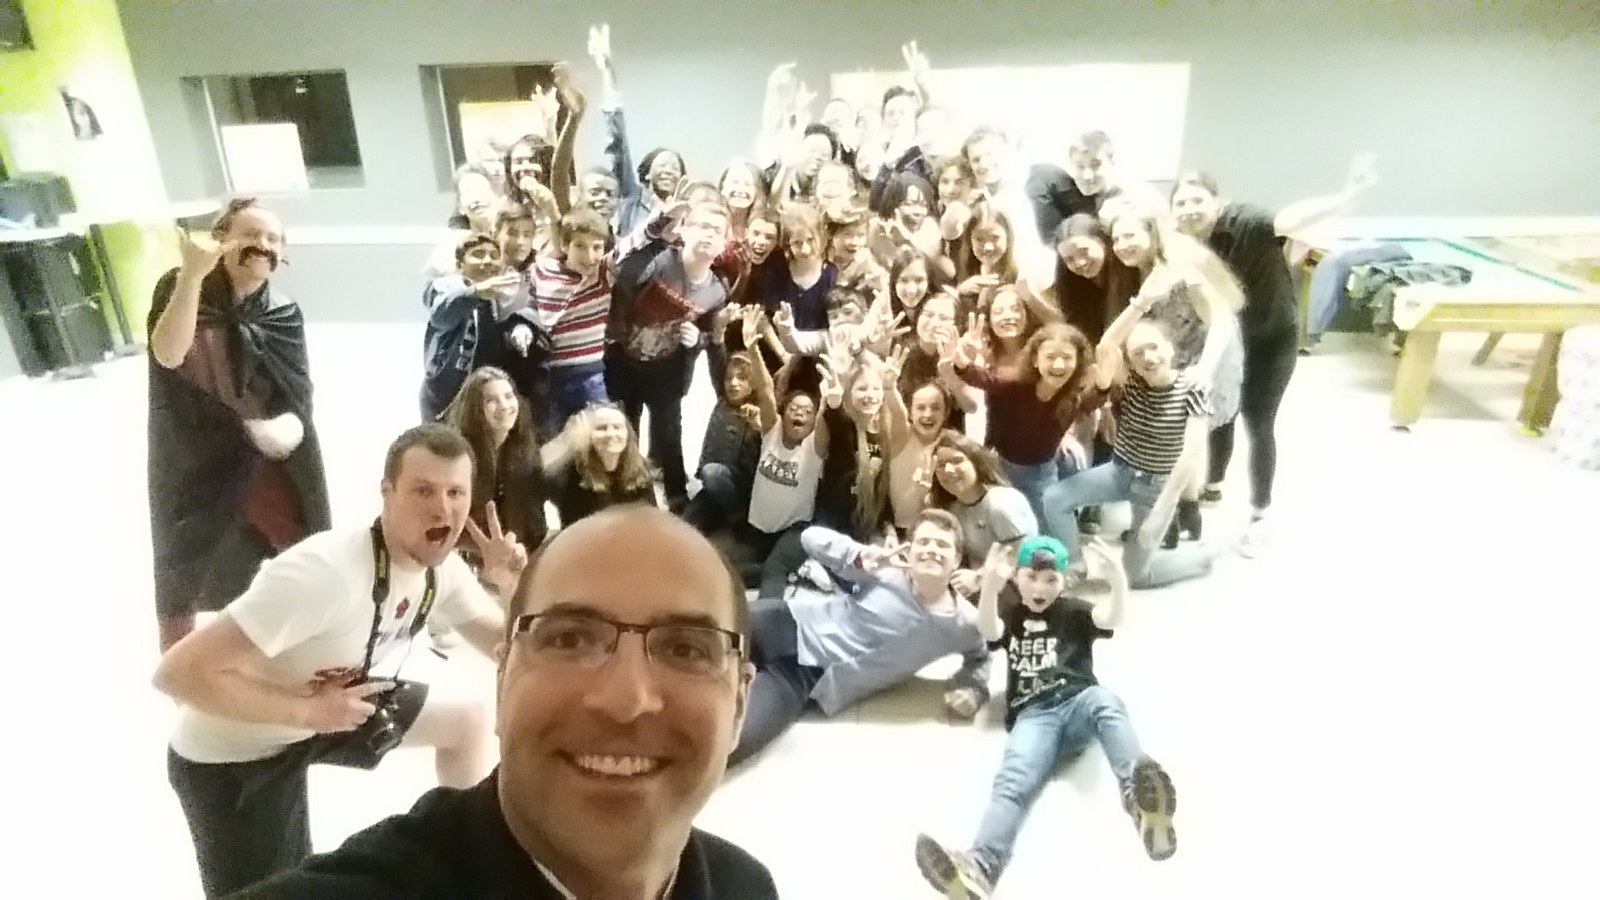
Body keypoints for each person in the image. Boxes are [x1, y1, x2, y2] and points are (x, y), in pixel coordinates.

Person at [234, 506, 778, 899]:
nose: (625, 700)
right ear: (501, 680)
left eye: (686, 649)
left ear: (739, 703)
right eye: (570, 638)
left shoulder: (743, 887)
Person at [154, 424, 527, 897]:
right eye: (423, 490)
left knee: (466, 722)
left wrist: (511, 587)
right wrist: (308, 712)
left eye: (456, 492)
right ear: (387, 494)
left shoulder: (442, 571)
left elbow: (508, 648)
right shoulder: (323, 576)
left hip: (334, 705)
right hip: (234, 752)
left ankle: (459, 869)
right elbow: (176, 674)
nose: (443, 508)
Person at [914, 536, 1177, 899]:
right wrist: (989, 586)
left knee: (1107, 703)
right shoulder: (1012, 614)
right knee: (1013, 782)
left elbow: (1112, 618)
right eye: (1032, 577)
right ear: (1017, 578)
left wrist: (1117, 579)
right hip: (1032, 714)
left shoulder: (1073, 611)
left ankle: (1142, 801)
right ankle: (980, 868)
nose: (1040, 588)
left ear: (1063, 582)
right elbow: (989, 630)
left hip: (1079, 698)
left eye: (1051, 579)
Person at [147, 199, 331, 653]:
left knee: (297, 548)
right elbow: (168, 354)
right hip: (196, 453)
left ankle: (308, 645)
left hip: (265, 455)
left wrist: (286, 425)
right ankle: (181, 668)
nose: (262, 245)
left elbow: (298, 392)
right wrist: (191, 277)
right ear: (221, 240)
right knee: (184, 560)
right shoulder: (180, 286)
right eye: (250, 234)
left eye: (273, 239)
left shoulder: (282, 311)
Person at [1169, 161, 1375, 555]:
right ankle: (1213, 484)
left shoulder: (1247, 222)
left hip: (1271, 338)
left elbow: (1290, 218)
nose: (1189, 209)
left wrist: (1347, 197)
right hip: (1224, 340)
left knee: (1259, 422)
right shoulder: (1180, 243)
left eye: (1197, 200)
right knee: (1218, 414)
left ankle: (1259, 515)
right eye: (1181, 203)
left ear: (1218, 201)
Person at [731, 509, 992, 765]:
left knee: (728, 742)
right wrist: (861, 556)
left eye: (942, 545)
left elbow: (980, 657)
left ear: (957, 559)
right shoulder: (886, 571)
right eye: (923, 542)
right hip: (786, 624)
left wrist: (973, 690)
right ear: (909, 550)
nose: (932, 550)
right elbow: (810, 538)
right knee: (711, 624)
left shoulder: (964, 622)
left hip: (801, 681)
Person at [1040, 287, 1220, 589]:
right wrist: (1141, 302)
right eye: (1137, 353)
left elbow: (1190, 455)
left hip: (1156, 488)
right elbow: (1107, 346)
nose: (1148, 357)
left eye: (1154, 347)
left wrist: (1162, 510)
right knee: (1055, 498)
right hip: (1119, 471)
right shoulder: (1132, 382)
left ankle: (1204, 558)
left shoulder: (1193, 388)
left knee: (1135, 576)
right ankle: (1075, 564)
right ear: (1131, 362)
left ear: (1171, 350)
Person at [605, 200, 732, 509]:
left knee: (669, 434)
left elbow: (709, 335)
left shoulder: (717, 290)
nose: (708, 234)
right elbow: (622, 276)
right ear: (684, 230)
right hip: (624, 361)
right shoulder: (661, 260)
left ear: (724, 243)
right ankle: (625, 496)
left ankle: (677, 498)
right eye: (702, 226)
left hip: (666, 370)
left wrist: (697, 340)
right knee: (625, 430)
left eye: (717, 230)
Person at [420, 234, 524, 422]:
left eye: (494, 255)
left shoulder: (502, 298)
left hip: (485, 397)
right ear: (460, 265)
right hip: (446, 396)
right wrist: (475, 293)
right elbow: (441, 315)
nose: (488, 260)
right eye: (478, 254)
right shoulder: (446, 287)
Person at [924, 430, 1038, 564]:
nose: (948, 470)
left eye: (957, 461)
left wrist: (979, 575)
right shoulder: (954, 510)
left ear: (976, 463)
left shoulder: (1000, 504)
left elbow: (1020, 558)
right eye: (941, 465)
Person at [546, 402, 659, 527]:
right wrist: (565, 443)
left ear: (628, 433)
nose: (611, 434)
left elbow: (654, 519)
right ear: (587, 436)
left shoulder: (640, 467)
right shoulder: (572, 472)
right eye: (602, 428)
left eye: (617, 427)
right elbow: (536, 479)